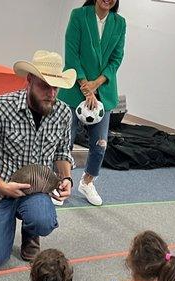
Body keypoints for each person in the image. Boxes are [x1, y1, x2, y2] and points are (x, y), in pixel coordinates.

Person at [0, 50, 76, 268]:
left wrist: (67, 179)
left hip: (35, 191)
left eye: (56, 87)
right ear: (30, 80)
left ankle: (31, 232)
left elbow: (63, 151)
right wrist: (1, 185)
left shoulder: (63, 113)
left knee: (43, 220)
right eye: (45, 86)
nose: (52, 94)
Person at [58, 0, 126, 206]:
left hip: (103, 91)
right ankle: (62, 182)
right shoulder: (79, 15)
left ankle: (87, 182)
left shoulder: (119, 23)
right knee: (64, 141)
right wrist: (85, 86)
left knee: (100, 144)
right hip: (74, 89)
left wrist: (96, 85)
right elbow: (71, 54)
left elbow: (116, 58)